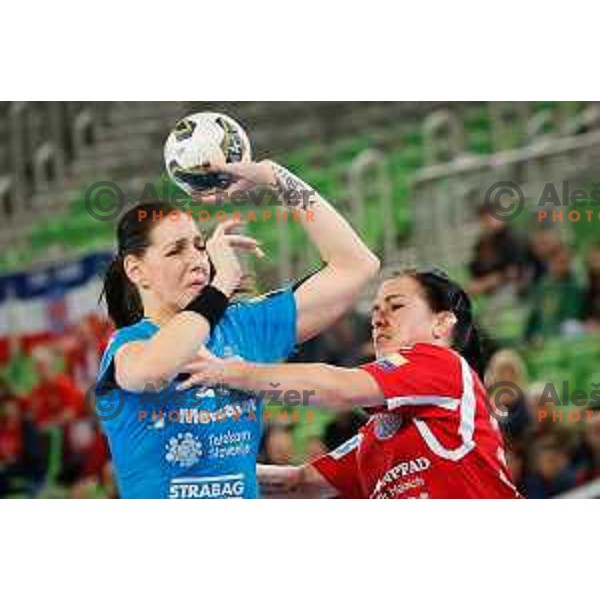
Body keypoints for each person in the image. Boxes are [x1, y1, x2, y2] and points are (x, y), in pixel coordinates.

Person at [94, 159, 379, 499]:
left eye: (200, 246)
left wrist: (276, 178)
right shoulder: (129, 345)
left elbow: (357, 266)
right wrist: (221, 286)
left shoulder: (243, 326)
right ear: (136, 270)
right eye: (175, 251)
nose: (197, 260)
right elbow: (155, 371)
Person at [179, 269, 521, 499]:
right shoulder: (375, 436)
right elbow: (297, 482)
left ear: (442, 323)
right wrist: (212, 473)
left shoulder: (443, 364)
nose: (377, 318)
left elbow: (336, 388)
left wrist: (230, 372)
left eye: (396, 306)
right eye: (374, 310)